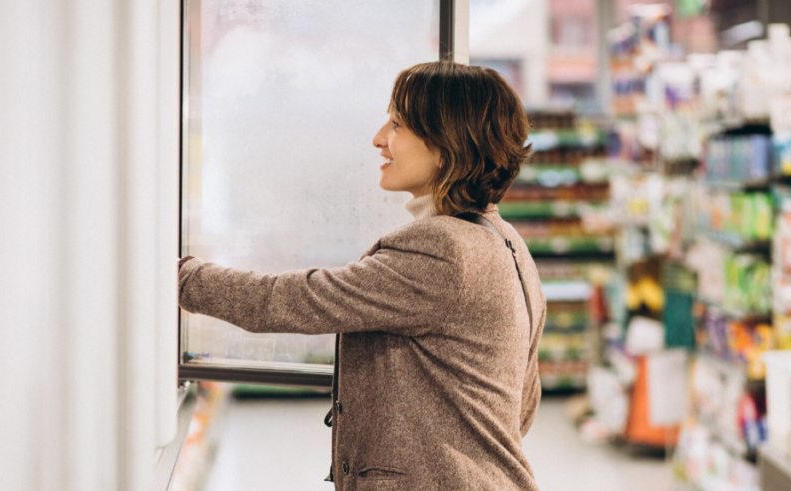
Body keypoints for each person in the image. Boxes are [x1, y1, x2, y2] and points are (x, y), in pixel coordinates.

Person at [177, 60, 545, 491]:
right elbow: (522, 403)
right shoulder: (507, 243)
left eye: (398, 124)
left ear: (446, 144)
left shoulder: (443, 250)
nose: (379, 138)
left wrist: (183, 277)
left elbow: (296, 300)